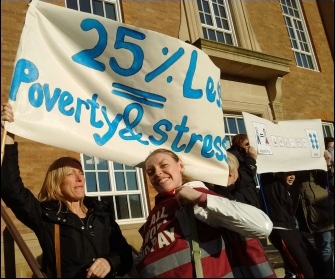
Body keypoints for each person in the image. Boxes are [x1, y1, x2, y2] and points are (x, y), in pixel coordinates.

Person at [1, 102, 133, 278]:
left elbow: (124, 253)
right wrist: (8, 133)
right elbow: (10, 187)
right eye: (71, 174)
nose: (80, 178)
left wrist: (109, 262)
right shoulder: (45, 216)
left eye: (81, 173)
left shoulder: (102, 213)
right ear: (57, 183)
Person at [135, 148, 275, 278]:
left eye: (164, 165)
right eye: (150, 172)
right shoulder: (156, 214)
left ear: (181, 166)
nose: (157, 173)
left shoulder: (197, 198)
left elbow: (263, 226)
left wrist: (199, 198)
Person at [261, 171, 319, 278]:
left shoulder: (288, 188)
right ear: (279, 174)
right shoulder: (272, 185)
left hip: (291, 227)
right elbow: (266, 175)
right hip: (280, 229)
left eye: (294, 174)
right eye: (289, 174)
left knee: (313, 260)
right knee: (304, 268)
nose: (292, 177)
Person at [291, 148, 334, 278]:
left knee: (325, 246)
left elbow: (331, 182)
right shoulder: (290, 156)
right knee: (298, 246)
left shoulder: (318, 152)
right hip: (298, 208)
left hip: (320, 208)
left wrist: (328, 166)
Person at [225, 133, 262, 209]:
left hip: (251, 203)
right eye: (247, 144)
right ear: (239, 145)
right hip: (242, 205)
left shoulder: (244, 158)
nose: (250, 147)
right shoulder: (231, 158)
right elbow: (241, 179)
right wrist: (251, 159)